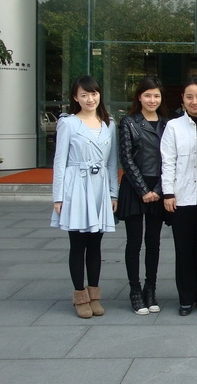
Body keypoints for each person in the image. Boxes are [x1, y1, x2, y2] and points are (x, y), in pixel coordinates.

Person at [51, 75, 118, 319]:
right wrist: (58, 197)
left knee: (96, 244)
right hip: (76, 187)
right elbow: (60, 161)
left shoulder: (109, 123)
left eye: (94, 94)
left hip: (99, 187)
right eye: (84, 95)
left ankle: (94, 294)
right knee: (78, 244)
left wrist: (113, 193)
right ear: (75, 97)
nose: (90, 99)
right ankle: (80, 295)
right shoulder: (68, 123)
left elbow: (112, 162)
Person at [116, 76, 168, 315]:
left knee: (154, 242)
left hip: (158, 187)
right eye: (147, 95)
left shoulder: (168, 124)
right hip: (135, 188)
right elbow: (126, 159)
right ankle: (135, 290)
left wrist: (157, 190)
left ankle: (151, 289)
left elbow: (171, 160)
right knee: (134, 243)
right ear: (139, 97)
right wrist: (143, 190)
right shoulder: (129, 122)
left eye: (156, 95)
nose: (152, 100)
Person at [161, 77, 197, 316]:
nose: (194, 101)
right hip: (181, 198)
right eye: (189, 96)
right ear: (182, 99)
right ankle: (186, 298)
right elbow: (167, 162)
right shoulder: (173, 127)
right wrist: (168, 193)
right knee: (183, 250)